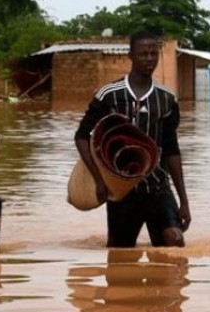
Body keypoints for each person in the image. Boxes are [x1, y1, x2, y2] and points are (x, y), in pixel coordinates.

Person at [75, 31, 191, 248]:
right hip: (121, 191)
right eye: (143, 54)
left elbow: (171, 149)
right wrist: (99, 179)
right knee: (119, 255)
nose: (149, 59)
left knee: (175, 241)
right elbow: (81, 136)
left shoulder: (166, 99)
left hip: (158, 187)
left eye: (153, 54)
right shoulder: (109, 95)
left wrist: (184, 201)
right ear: (130, 56)